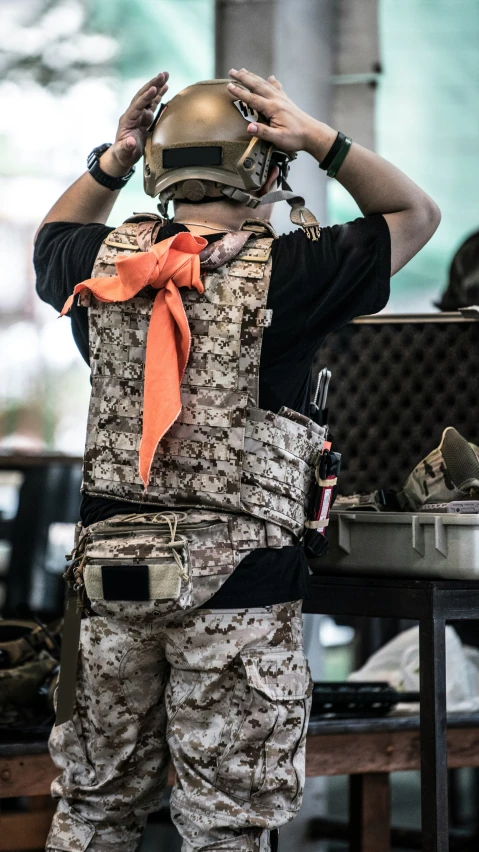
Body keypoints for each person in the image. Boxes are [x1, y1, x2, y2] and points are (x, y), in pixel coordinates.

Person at [34, 68, 440, 852]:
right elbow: (414, 213)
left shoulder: (98, 262)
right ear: (264, 165)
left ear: (157, 168)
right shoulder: (294, 270)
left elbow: (50, 238)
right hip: (241, 582)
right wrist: (321, 137)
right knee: (225, 823)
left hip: (110, 574)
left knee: (92, 809)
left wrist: (111, 159)